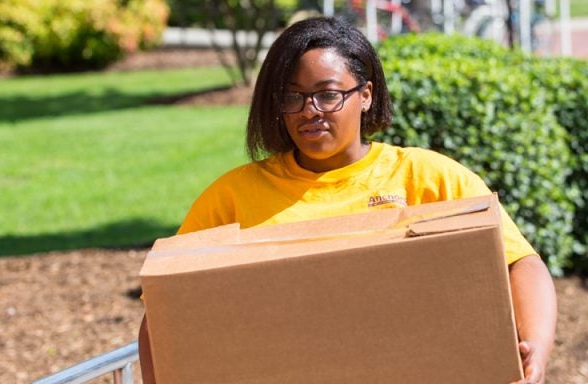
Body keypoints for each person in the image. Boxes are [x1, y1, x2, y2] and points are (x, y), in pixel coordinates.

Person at [139, 16, 556, 384]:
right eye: (293, 97)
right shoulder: (231, 197)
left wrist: (534, 346)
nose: (310, 110)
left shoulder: (426, 177)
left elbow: (521, 263)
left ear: (366, 94)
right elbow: (165, 308)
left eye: (328, 94)